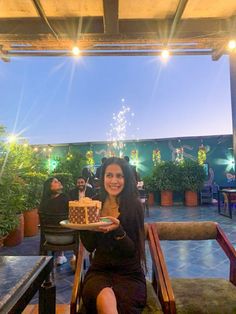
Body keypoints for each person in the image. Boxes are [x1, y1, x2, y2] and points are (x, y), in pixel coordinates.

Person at [80, 157, 146, 314]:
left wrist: (118, 230)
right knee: (104, 296)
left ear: (126, 179)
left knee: (123, 306)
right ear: (102, 177)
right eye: (109, 175)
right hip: (100, 271)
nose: (114, 181)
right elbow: (90, 246)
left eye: (119, 176)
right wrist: (83, 223)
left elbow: (132, 251)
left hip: (129, 274)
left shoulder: (134, 205)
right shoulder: (94, 203)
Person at [39, 177, 69, 265]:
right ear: (50, 187)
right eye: (56, 182)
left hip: (48, 238)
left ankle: (59, 255)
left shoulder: (43, 203)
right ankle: (73, 257)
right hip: (67, 238)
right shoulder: (65, 197)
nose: (59, 182)